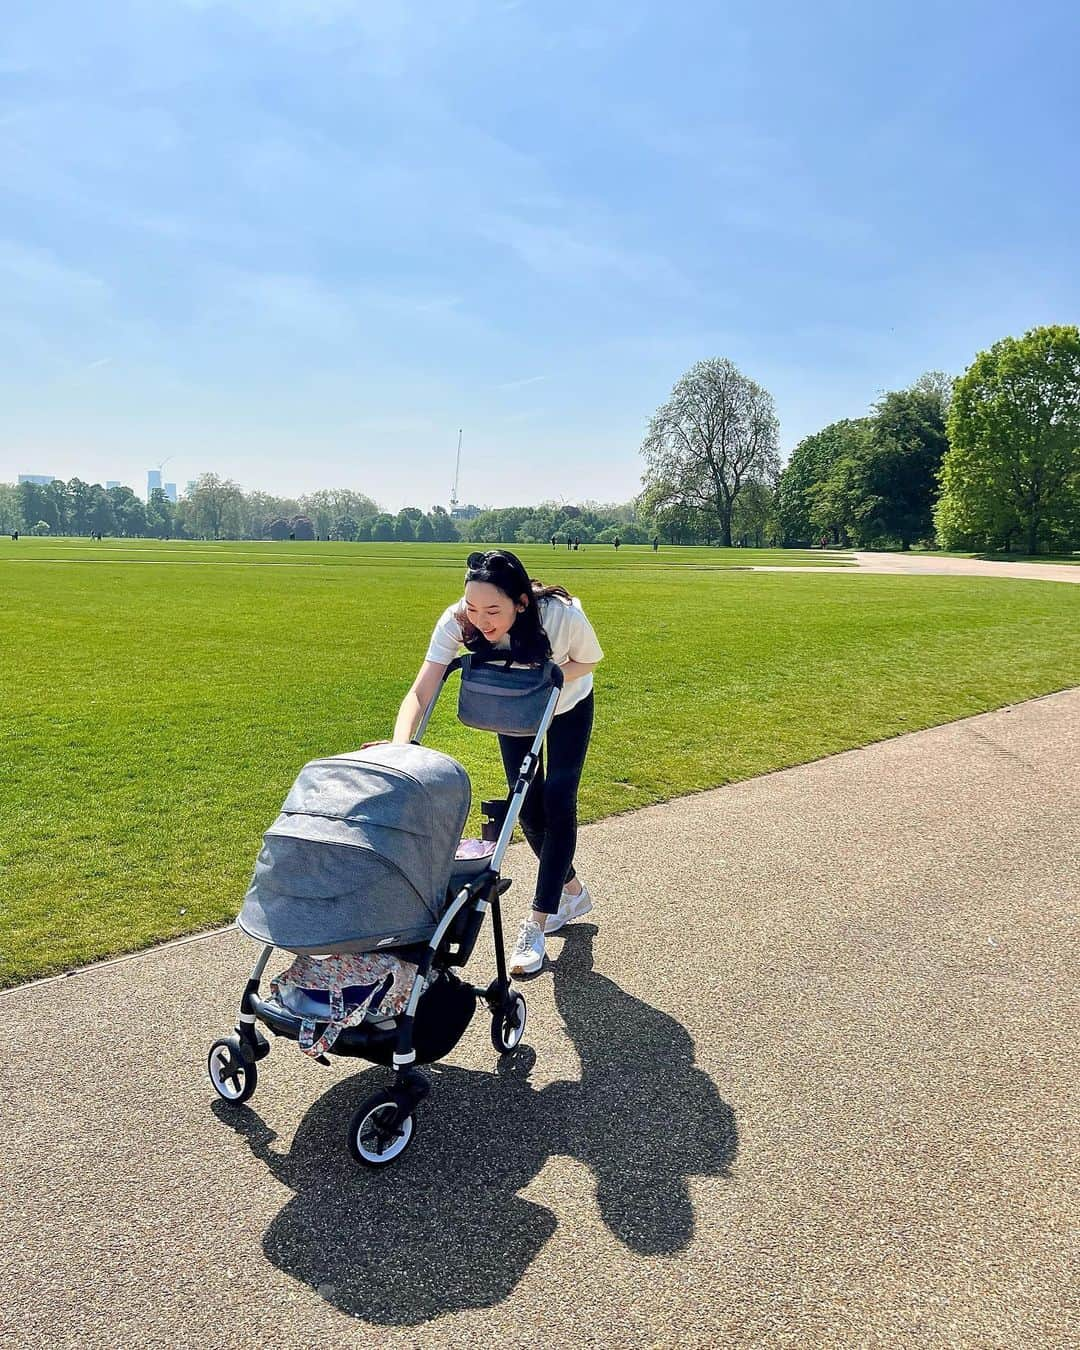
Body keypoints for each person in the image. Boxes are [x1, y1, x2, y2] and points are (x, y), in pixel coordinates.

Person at [393, 548, 604, 975]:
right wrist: (400, 746)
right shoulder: (458, 620)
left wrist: (548, 674)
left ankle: (538, 923)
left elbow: (591, 659)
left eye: (493, 610)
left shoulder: (558, 616)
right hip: (513, 708)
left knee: (559, 799)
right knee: (525, 803)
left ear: (520, 603)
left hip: (566, 704)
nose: (481, 620)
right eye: (473, 608)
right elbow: (423, 688)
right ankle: (572, 890)